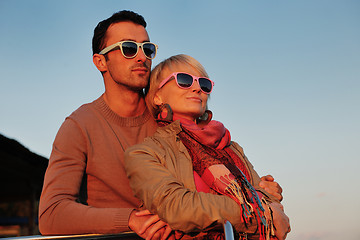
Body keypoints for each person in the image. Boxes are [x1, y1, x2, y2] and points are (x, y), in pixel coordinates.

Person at [39, 10, 284, 239]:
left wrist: (259, 189)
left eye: (147, 48)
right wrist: (129, 219)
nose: (141, 56)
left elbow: (214, 174)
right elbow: (52, 214)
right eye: (128, 48)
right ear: (100, 62)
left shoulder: (173, 116)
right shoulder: (79, 125)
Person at [124, 54, 291, 239]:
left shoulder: (230, 146)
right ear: (157, 96)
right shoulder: (145, 153)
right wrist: (259, 211)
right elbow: (178, 207)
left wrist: (266, 203)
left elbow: (271, 199)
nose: (197, 88)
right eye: (184, 80)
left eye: (204, 84)